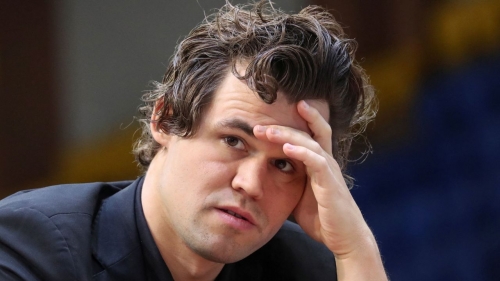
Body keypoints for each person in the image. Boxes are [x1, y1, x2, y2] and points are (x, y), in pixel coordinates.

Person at [0, 1, 387, 280]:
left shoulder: (304, 266)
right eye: (234, 141)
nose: (251, 184)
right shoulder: (31, 247)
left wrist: (356, 249)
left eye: (284, 164)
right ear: (166, 118)